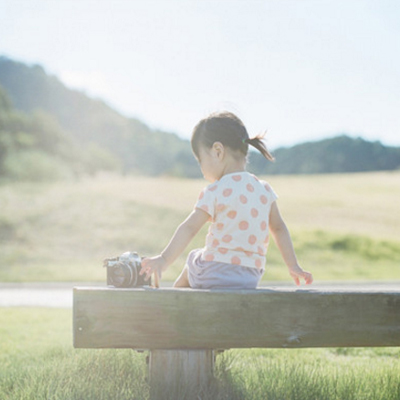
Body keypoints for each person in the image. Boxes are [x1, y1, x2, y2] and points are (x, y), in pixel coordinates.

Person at [140, 111, 313, 288]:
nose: (201, 168)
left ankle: (177, 306)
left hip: (214, 271)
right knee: (198, 260)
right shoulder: (264, 190)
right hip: (250, 277)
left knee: (193, 260)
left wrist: (164, 259)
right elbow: (279, 228)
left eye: (200, 160)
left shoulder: (215, 190)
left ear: (217, 151)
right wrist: (293, 266)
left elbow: (190, 228)